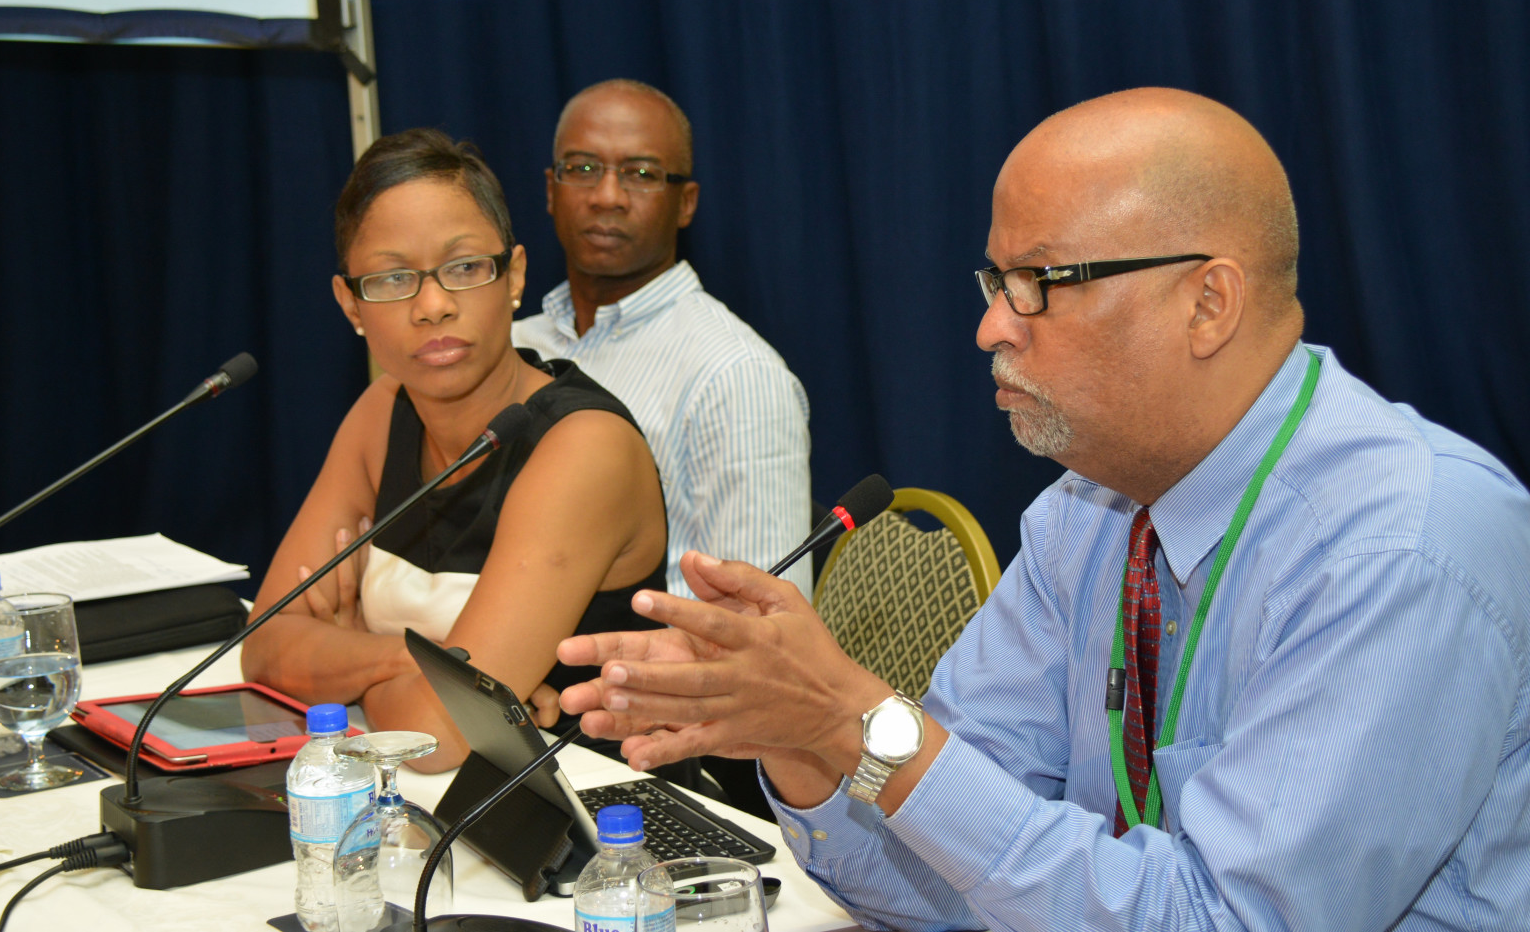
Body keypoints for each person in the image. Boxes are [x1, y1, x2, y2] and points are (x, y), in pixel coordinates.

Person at [555, 88, 1530, 930]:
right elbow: (940, 862)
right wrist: (792, 730)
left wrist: (857, 722)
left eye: (1039, 283)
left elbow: (1219, 917)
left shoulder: (1398, 545)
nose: (990, 325)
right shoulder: (1085, 512)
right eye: (995, 281)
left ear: (1207, 303)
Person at [240, 128, 668, 774]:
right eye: (393, 278)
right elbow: (264, 648)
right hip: (419, 801)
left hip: (598, 811)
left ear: (514, 275)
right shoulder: (383, 412)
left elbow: (438, 734)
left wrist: (344, 654)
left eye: (464, 268)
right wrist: (404, 658)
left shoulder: (584, 447)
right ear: (350, 304)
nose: (433, 306)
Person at [513, 78, 814, 600]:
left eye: (641, 174)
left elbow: (765, 621)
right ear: (550, 190)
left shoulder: (735, 376)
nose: (607, 197)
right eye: (582, 169)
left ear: (686, 203)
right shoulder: (514, 345)